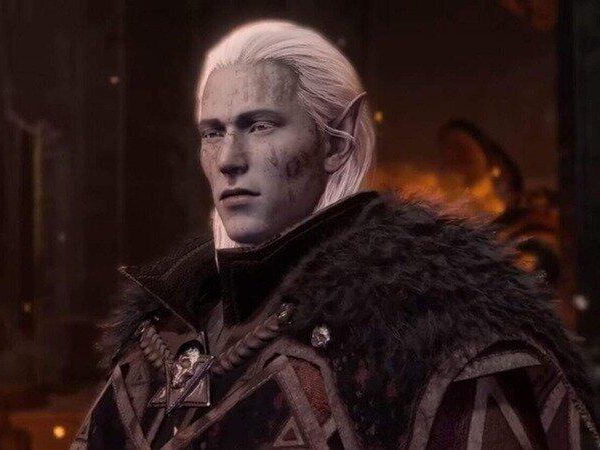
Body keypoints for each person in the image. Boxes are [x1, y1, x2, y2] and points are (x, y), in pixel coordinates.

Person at [71, 20, 598, 449]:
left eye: (260, 126)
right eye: (213, 132)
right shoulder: (164, 333)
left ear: (337, 143)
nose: (229, 159)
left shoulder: (437, 338)